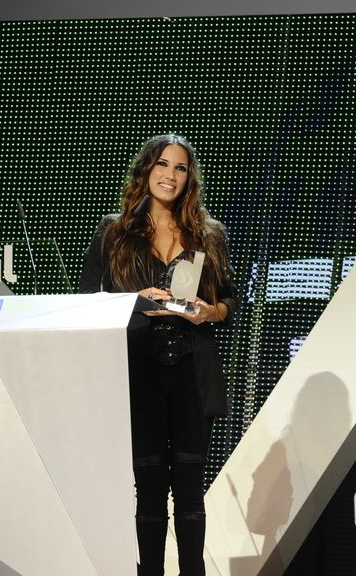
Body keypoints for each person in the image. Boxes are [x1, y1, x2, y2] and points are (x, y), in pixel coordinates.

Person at [78, 133, 238, 576]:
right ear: (147, 170)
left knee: (189, 489)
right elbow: (87, 301)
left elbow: (230, 304)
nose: (170, 175)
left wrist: (209, 311)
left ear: (190, 178)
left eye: (180, 168)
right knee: (148, 489)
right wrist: (136, 299)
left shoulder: (209, 235)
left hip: (191, 371)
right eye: (162, 165)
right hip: (138, 370)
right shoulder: (114, 233)